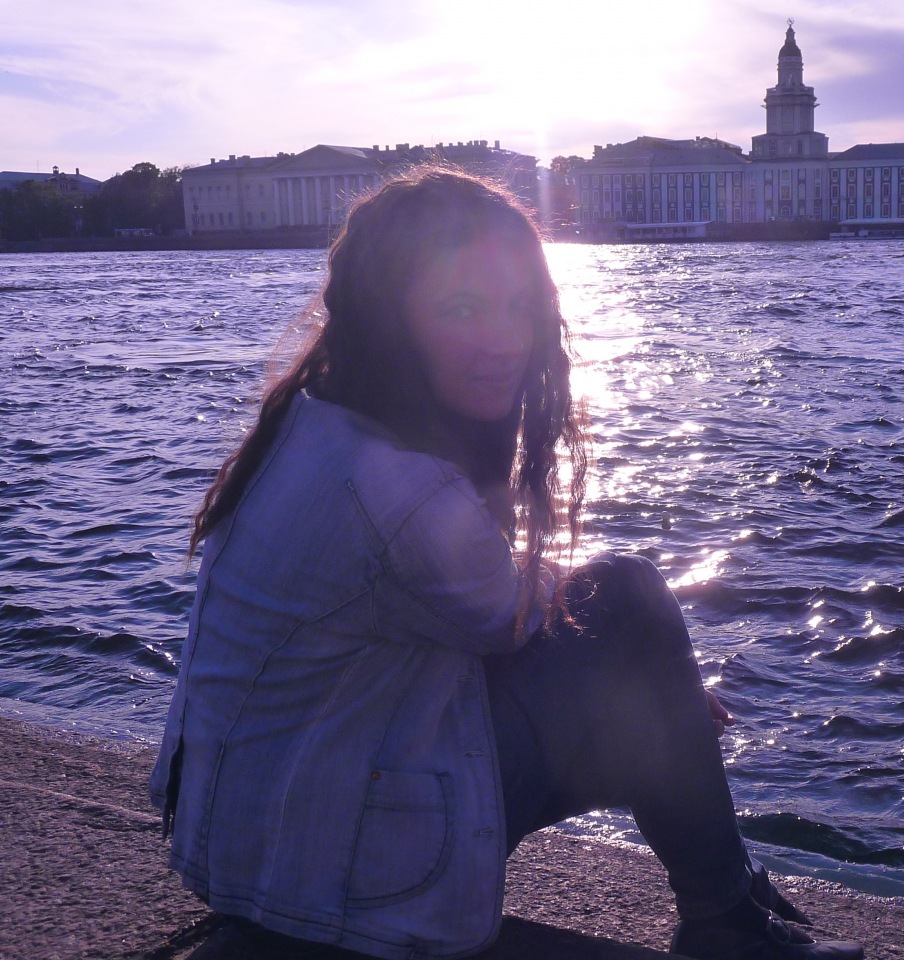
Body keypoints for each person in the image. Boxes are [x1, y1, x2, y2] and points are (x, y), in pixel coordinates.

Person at [150, 167, 864, 960]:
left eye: (519, 306)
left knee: (629, 662)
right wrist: (658, 681)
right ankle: (727, 920)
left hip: (240, 839)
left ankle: (731, 904)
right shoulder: (405, 494)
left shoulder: (308, 427)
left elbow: (477, 605)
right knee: (628, 596)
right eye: (462, 308)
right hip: (336, 882)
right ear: (390, 319)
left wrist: (649, 682)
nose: (504, 341)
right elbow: (516, 615)